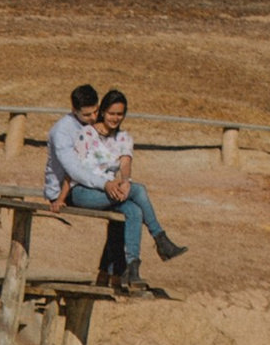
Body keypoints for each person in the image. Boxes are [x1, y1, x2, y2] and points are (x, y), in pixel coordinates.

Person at [63, 89, 185, 291]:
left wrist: (125, 180)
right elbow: (76, 170)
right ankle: (160, 239)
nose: (115, 118)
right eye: (111, 113)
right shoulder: (86, 134)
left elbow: (125, 163)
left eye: (120, 114)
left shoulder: (124, 138)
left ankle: (132, 267)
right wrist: (64, 195)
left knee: (133, 210)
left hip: (110, 192)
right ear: (102, 112)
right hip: (84, 191)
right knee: (139, 191)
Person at [42, 84, 102, 210]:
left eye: (96, 111)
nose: (93, 118)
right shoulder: (62, 132)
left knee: (130, 207)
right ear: (74, 110)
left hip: (89, 182)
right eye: (87, 115)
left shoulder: (97, 122)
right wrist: (106, 184)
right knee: (121, 199)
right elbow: (74, 170)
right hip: (64, 191)